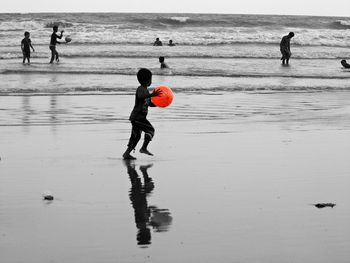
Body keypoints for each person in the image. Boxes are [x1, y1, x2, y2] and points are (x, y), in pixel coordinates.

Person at [122, 68, 162, 160]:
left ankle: (126, 153)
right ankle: (144, 148)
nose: (151, 81)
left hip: (138, 118)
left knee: (136, 136)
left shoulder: (146, 91)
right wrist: (152, 95)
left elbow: (148, 103)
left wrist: (159, 103)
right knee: (150, 130)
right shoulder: (140, 89)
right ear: (148, 81)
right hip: (138, 117)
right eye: (151, 79)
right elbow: (141, 96)